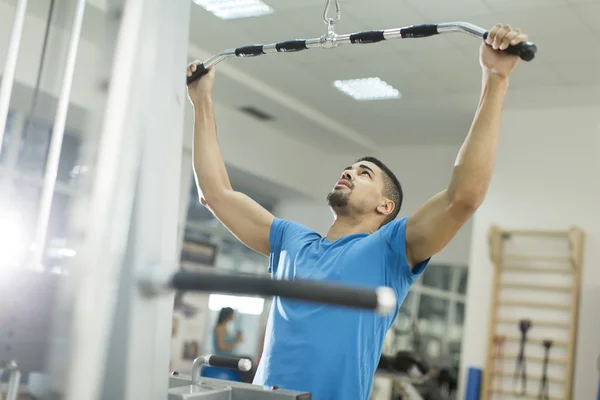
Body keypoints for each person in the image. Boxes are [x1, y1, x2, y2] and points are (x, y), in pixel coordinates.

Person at [186, 24, 529, 400]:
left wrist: (495, 79)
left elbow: (462, 198)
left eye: (364, 173)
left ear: (387, 206)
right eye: (349, 167)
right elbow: (215, 194)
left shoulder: (390, 250)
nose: (348, 171)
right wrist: (201, 100)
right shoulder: (290, 241)